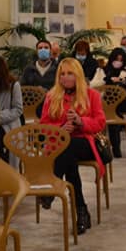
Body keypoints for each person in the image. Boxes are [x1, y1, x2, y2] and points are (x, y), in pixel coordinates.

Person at [40, 58, 107, 234]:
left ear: (77, 75)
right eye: (62, 74)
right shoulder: (51, 96)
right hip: (61, 144)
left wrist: (80, 122)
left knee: (67, 147)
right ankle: (81, 211)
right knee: (68, 157)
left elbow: (100, 123)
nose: (65, 77)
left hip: (85, 142)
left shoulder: (92, 95)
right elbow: (44, 125)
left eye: (70, 73)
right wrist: (61, 129)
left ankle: (52, 188)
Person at [90, 48, 126, 157]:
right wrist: (106, 80)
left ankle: (115, 145)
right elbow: (91, 86)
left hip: (124, 102)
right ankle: (116, 146)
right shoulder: (102, 71)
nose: (118, 62)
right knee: (113, 111)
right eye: (116, 59)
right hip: (106, 103)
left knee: (114, 111)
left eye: (121, 60)